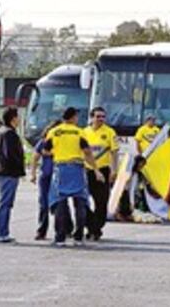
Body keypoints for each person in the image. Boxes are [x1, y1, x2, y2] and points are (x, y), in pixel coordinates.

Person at [46, 107, 104, 247]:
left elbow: (45, 150)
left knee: (60, 202)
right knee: (80, 202)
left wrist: (58, 153)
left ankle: (60, 237)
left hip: (61, 169)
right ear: (72, 117)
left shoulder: (54, 132)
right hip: (77, 169)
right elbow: (87, 152)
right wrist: (96, 170)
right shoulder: (80, 132)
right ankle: (78, 236)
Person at [83, 106, 118, 241]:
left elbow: (114, 153)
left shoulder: (109, 132)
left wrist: (114, 170)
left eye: (103, 117)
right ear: (92, 118)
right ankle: (93, 228)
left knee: (102, 202)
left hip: (103, 170)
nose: (100, 119)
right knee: (83, 202)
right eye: (98, 116)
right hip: (87, 170)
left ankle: (96, 227)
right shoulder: (84, 132)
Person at [0, 107, 26, 243]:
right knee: (6, 203)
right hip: (8, 172)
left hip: (2, 171)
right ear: (13, 119)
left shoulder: (0, 131)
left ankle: (1, 231)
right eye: (17, 117)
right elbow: (10, 155)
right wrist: (19, 167)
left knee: (4, 202)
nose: (19, 119)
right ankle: (2, 232)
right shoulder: (9, 134)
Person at [31, 121, 59, 240]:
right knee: (43, 204)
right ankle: (41, 230)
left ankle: (64, 229)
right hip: (45, 177)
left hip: (59, 176)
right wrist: (33, 174)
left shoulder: (63, 142)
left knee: (59, 204)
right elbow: (35, 158)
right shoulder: (43, 142)